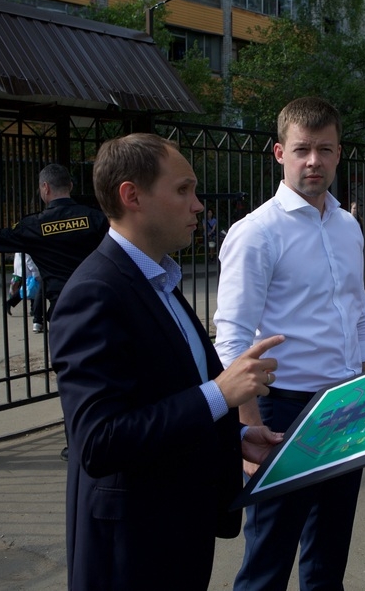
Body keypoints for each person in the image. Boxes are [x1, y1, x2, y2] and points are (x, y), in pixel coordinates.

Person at [49, 133, 286, 591]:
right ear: (132, 196)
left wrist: (235, 436)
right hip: (133, 547)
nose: (198, 205)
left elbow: (166, 392)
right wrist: (219, 394)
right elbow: (99, 441)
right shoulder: (95, 292)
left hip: (175, 530)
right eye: (183, 190)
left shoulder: (156, 278)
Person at [214, 96, 365, 591]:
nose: (314, 161)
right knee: (268, 561)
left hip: (345, 406)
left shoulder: (347, 226)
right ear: (279, 153)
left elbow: (358, 311)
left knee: (329, 557)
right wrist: (250, 427)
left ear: (338, 154)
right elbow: (233, 340)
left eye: (324, 150)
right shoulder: (256, 233)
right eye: (302, 149)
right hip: (283, 412)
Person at [0, 163, 108, 322]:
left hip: (64, 309)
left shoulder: (33, 226)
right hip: (99, 304)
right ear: (70, 186)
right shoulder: (96, 218)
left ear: (45, 187)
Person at [6, 252, 44, 333]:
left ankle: (33, 310)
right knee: (30, 291)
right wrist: (36, 274)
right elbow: (30, 261)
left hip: (21, 270)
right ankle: (10, 302)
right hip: (28, 272)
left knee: (29, 291)